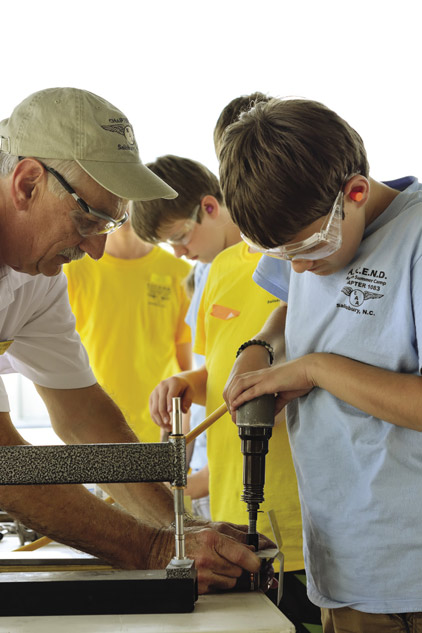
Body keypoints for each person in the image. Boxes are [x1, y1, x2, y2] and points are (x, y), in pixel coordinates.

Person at [0, 86, 270, 595]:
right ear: (28, 183)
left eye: (112, 224)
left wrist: (177, 528)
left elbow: (84, 418)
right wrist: (151, 549)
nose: (98, 250)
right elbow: (3, 460)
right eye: (87, 220)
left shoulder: (38, 279)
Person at [219, 96, 422, 630]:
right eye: (282, 256)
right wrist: (260, 350)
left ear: (354, 192)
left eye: (307, 249)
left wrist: (314, 369)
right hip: (339, 566)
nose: (302, 269)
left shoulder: (416, 239)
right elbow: (292, 310)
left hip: (406, 581)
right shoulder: (309, 237)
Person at [131, 154, 241, 517]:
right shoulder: (208, 272)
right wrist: (183, 384)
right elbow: (215, 369)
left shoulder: (277, 264)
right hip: (217, 476)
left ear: (209, 206)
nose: (179, 252)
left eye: (179, 236)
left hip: (250, 475)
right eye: (169, 245)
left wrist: (199, 481)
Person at [65, 217, 192, 443]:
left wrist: (180, 427)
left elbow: (184, 368)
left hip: (159, 430)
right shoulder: (73, 271)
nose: (128, 207)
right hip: (96, 429)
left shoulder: (179, 272)